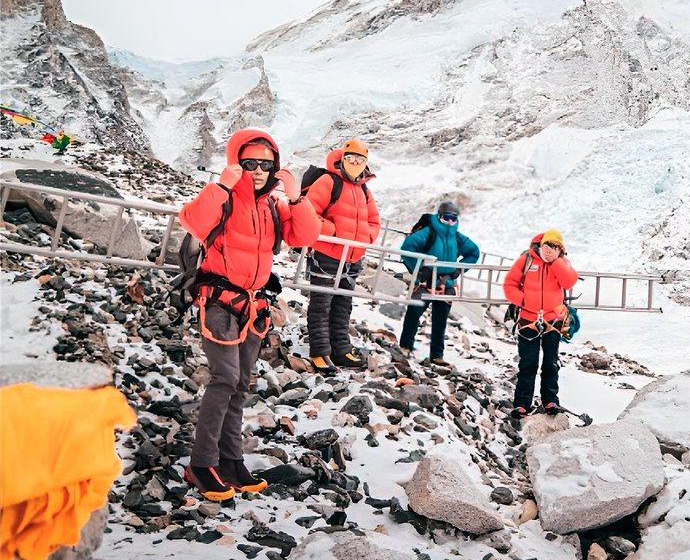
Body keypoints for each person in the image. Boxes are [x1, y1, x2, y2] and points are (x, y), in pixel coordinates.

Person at [177, 129, 320, 501]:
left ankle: (230, 460)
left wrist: (295, 196)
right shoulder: (225, 198)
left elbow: (305, 236)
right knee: (225, 379)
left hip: (253, 306)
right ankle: (201, 463)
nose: (257, 171)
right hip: (220, 302)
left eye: (265, 164)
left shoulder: (272, 205)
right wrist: (222, 186)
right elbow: (193, 222)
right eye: (249, 163)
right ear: (235, 163)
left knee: (240, 384)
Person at [304, 138, 381, 374]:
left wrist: (365, 238)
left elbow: (374, 221)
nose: (355, 163)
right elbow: (308, 212)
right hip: (327, 254)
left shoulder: (364, 189)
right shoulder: (329, 181)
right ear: (342, 159)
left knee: (343, 304)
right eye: (351, 158)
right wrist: (334, 233)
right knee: (322, 303)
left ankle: (341, 350)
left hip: (352, 258)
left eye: (360, 159)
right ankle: (319, 352)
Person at [503, 229, 579, 420]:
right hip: (529, 320)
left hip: (553, 321)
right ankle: (521, 404)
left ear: (561, 249)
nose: (549, 249)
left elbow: (569, 281)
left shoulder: (561, 263)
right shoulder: (526, 259)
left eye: (554, 246)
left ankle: (550, 400)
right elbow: (509, 284)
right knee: (528, 363)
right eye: (546, 245)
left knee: (551, 363)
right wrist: (525, 301)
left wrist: (555, 262)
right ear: (540, 244)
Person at [398, 200, 480, 365]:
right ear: (439, 216)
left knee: (440, 320)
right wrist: (421, 270)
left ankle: (437, 356)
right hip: (425, 283)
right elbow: (407, 248)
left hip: (446, 284)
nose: (450, 222)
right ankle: (405, 347)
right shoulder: (429, 232)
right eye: (446, 217)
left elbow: (474, 252)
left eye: (453, 218)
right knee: (414, 315)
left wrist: (458, 270)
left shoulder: (456, 237)